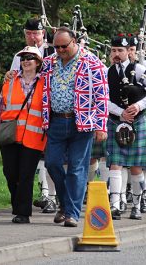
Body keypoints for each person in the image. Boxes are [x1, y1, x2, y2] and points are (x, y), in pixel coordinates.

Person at [42, 26, 109, 227]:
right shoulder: (48, 63)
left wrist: (101, 125)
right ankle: (65, 202)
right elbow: (29, 74)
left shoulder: (92, 63)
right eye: (56, 47)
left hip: (82, 122)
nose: (60, 50)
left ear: (75, 42)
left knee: (76, 168)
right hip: (55, 121)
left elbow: (101, 95)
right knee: (52, 163)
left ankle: (71, 213)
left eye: (64, 46)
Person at [107, 36, 146, 220]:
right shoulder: (106, 73)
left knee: (136, 168)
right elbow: (102, 99)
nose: (116, 54)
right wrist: (120, 112)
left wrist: (139, 106)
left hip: (138, 121)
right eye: (113, 50)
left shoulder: (139, 69)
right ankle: (114, 205)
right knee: (115, 163)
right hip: (116, 121)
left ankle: (137, 204)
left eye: (120, 51)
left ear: (129, 52)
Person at [0, 46, 47, 223]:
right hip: (10, 135)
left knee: (26, 175)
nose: (26, 61)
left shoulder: (46, 82)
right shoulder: (11, 80)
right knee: (10, 172)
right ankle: (18, 205)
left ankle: (23, 213)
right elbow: (0, 107)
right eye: (23, 58)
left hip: (33, 136)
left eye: (30, 57)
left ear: (38, 62)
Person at [11, 18, 57, 214]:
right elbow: (14, 78)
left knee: (52, 158)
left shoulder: (53, 53)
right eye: (28, 33)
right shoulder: (19, 55)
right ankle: (44, 194)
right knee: (34, 161)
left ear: (43, 34)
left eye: (36, 33)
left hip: (50, 114)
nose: (32, 37)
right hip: (27, 119)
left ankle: (53, 197)